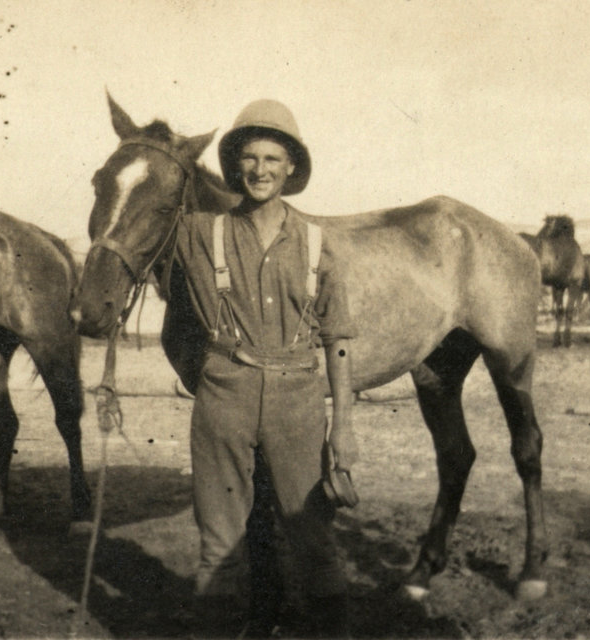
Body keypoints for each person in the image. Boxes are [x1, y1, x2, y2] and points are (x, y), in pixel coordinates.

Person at [173, 99, 358, 637]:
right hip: (223, 394)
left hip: (297, 400)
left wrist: (343, 427)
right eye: (250, 158)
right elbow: (146, 211)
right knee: (218, 546)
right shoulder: (198, 232)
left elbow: (338, 340)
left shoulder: (318, 242)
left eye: (272, 159)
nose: (260, 170)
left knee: (314, 541)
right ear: (235, 165)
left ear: (291, 166)